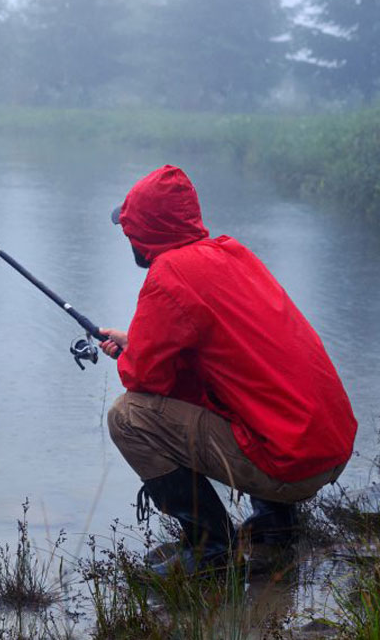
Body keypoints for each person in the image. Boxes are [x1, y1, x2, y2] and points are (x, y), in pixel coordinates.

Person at [99, 165, 357, 576]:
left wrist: (132, 355)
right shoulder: (230, 254)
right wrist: (139, 342)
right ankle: (275, 524)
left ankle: (210, 550)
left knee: (127, 417)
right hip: (330, 448)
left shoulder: (168, 276)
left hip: (291, 467)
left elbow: (143, 380)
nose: (126, 235)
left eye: (129, 227)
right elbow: (221, 356)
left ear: (144, 230)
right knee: (242, 391)